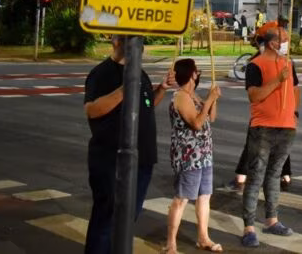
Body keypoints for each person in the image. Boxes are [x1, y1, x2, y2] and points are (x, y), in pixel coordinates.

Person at [83, 35, 172, 254]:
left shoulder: (140, 73)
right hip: (111, 159)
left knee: (127, 218)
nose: (138, 46)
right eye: (130, 41)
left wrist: (161, 89)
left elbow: (145, 105)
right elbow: (92, 110)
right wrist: (124, 90)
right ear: (116, 42)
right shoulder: (102, 73)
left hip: (143, 160)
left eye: (140, 42)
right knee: (107, 217)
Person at [240, 26, 298, 247]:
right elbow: (254, 96)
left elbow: (295, 90)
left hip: (286, 127)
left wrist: (294, 114)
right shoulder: (255, 65)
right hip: (263, 128)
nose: (287, 43)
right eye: (284, 39)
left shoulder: (288, 63)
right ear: (273, 43)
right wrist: (277, 81)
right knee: (255, 176)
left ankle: (272, 220)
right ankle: (249, 227)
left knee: (274, 175)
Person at [165, 59, 222, 254]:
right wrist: (208, 101)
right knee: (181, 198)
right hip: (188, 155)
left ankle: (203, 237)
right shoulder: (181, 97)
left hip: (203, 154)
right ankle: (171, 244)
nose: (198, 74)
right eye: (196, 71)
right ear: (191, 74)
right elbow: (197, 123)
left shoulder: (193, 95)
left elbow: (211, 118)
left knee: (204, 196)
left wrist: (211, 99)